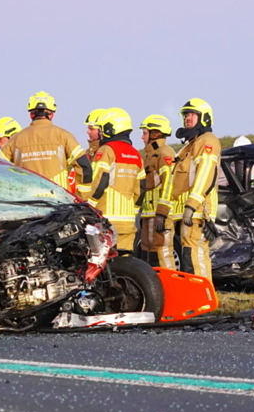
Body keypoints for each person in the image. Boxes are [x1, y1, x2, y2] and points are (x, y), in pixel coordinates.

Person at [155, 98, 220, 279]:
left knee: (195, 255)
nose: (187, 119)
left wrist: (191, 206)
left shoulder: (207, 141)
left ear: (204, 118)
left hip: (198, 210)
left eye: (192, 114)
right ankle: (194, 299)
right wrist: (162, 211)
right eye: (185, 115)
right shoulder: (187, 148)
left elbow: (205, 174)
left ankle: (203, 300)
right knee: (188, 256)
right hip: (186, 212)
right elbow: (172, 182)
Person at [0, 91, 92, 196]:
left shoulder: (15, 140)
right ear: (52, 115)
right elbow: (84, 166)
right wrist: (82, 197)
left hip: (27, 201)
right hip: (59, 202)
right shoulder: (64, 136)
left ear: (31, 114)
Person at [86, 108, 144, 252]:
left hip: (105, 220)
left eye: (103, 128)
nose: (101, 132)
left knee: (105, 266)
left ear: (111, 128)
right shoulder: (136, 154)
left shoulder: (106, 150)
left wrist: (88, 207)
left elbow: (100, 182)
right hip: (128, 222)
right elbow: (142, 188)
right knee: (126, 264)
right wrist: (134, 210)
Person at [138, 114, 177, 268]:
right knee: (149, 254)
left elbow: (169, 183)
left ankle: (172, 290)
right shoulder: (151, 155)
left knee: (163, 253)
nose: (142, 137)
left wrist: (162, 212)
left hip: (160, 215)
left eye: (145, 133)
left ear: (155, 134)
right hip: (150, 214)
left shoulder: (165, 153)